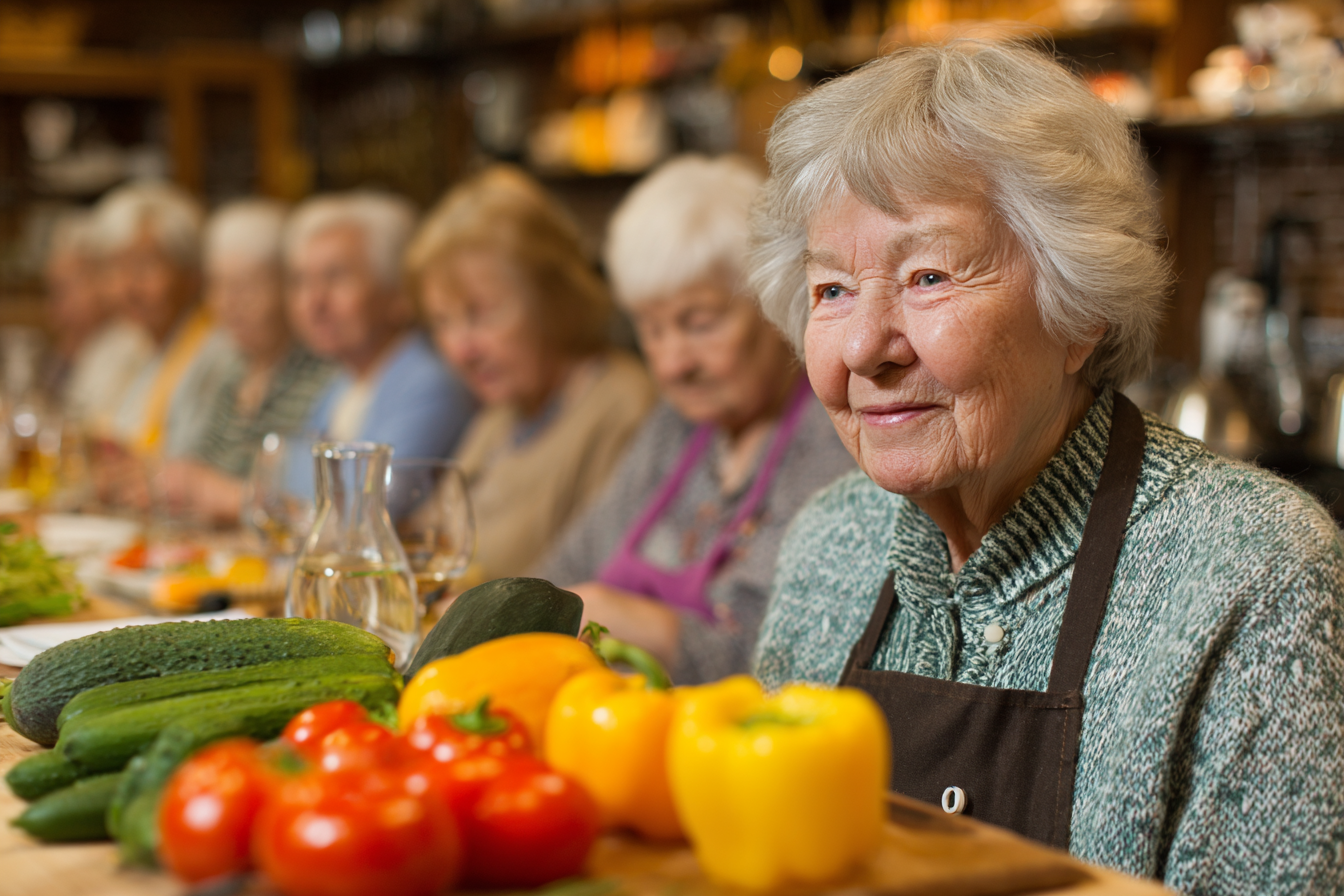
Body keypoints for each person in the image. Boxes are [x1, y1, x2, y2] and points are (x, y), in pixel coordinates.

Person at [747, 41, 1344, 895]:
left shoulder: (1255, 574)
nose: (862, 349)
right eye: (831, 290)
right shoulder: (829, 544)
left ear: (1081, 311)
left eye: (928, 275)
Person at [534, 155, 854, 685]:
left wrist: (629, 621)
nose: (671, 364)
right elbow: (564, 570)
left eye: (698, 324)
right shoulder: (672, 427)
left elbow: (793, 661)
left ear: (774, 303)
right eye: (652, 330)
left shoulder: (833, 435)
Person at [409, 166, 656, 581]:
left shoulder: (623, 408)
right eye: (442, 322)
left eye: (480, 314)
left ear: (554, 297)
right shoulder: (504, 411)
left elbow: (589, 589)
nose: (459, 349)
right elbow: (419, 537)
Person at [158, 200, 335, 524]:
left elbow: (310, 507)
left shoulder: (323, 374)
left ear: (287, 287)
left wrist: (214, 492)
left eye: (247, 286)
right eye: (219, 285)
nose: (228, 303)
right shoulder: (227, 370)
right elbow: (186, 471)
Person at [286, 191, 473, 478]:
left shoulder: (430, 382)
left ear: (399, 294)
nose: (314, 302)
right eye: (301, 281)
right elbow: (289, 484)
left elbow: (368, 504)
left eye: (335, 277)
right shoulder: (342, 382)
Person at [90, 181, 235, 505]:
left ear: (193, 274)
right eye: (116, 267)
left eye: (145, 266)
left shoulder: (221, 352)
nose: (128, 287)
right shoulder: (127, 346)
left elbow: (191, 470)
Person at [42, 210, 153, 424]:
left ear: (100, 280)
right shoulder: (89, 346)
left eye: (62, 291)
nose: (52, 309)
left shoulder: (135, 343)